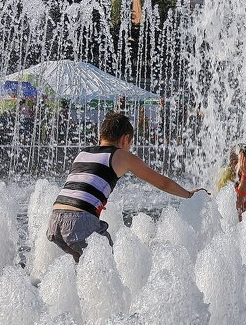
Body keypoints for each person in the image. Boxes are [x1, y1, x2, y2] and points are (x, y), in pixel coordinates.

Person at [48, 111, 205, 261]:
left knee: (86, 266)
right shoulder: (122, 156)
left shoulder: (82, 154)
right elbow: (163, 183)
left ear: (100, 136)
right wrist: (189, 194)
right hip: (79, 221)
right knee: (106, 268)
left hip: (55, 221)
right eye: (130, 144)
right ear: (125, 139)